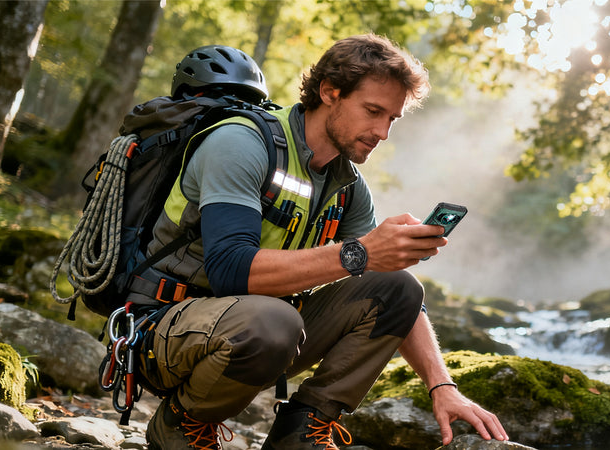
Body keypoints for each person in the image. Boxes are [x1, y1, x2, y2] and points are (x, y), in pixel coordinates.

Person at [137, 35, 510, 449]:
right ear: (330, 91)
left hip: (260, 333)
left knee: (399, 288)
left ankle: (301, 433)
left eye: (392, 118)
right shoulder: (240, 143)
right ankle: (183, 421)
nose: (383, 132)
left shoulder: (347, 184)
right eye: (373, 111)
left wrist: (442, 386)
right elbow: (231, 270)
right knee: (275, 320)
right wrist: (361, 253)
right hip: (164, 332)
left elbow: (397, 299)